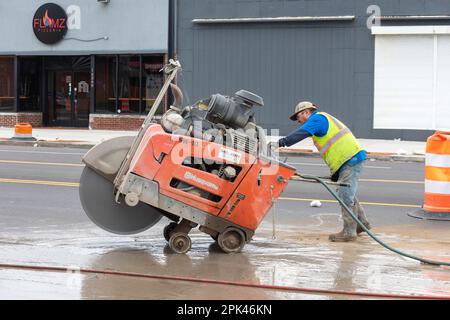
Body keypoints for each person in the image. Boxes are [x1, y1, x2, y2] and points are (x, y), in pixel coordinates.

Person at [270, 101, 371, 242]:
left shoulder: (317, 119)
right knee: (347, 192)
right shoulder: (322, 119)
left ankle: (349, 232)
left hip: (350, 158)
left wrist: (280, 143)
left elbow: (302, 133)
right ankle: (362, 224)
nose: (298, 121)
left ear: (306, 112)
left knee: (345, 195)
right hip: (348, 159)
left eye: (298, 117)